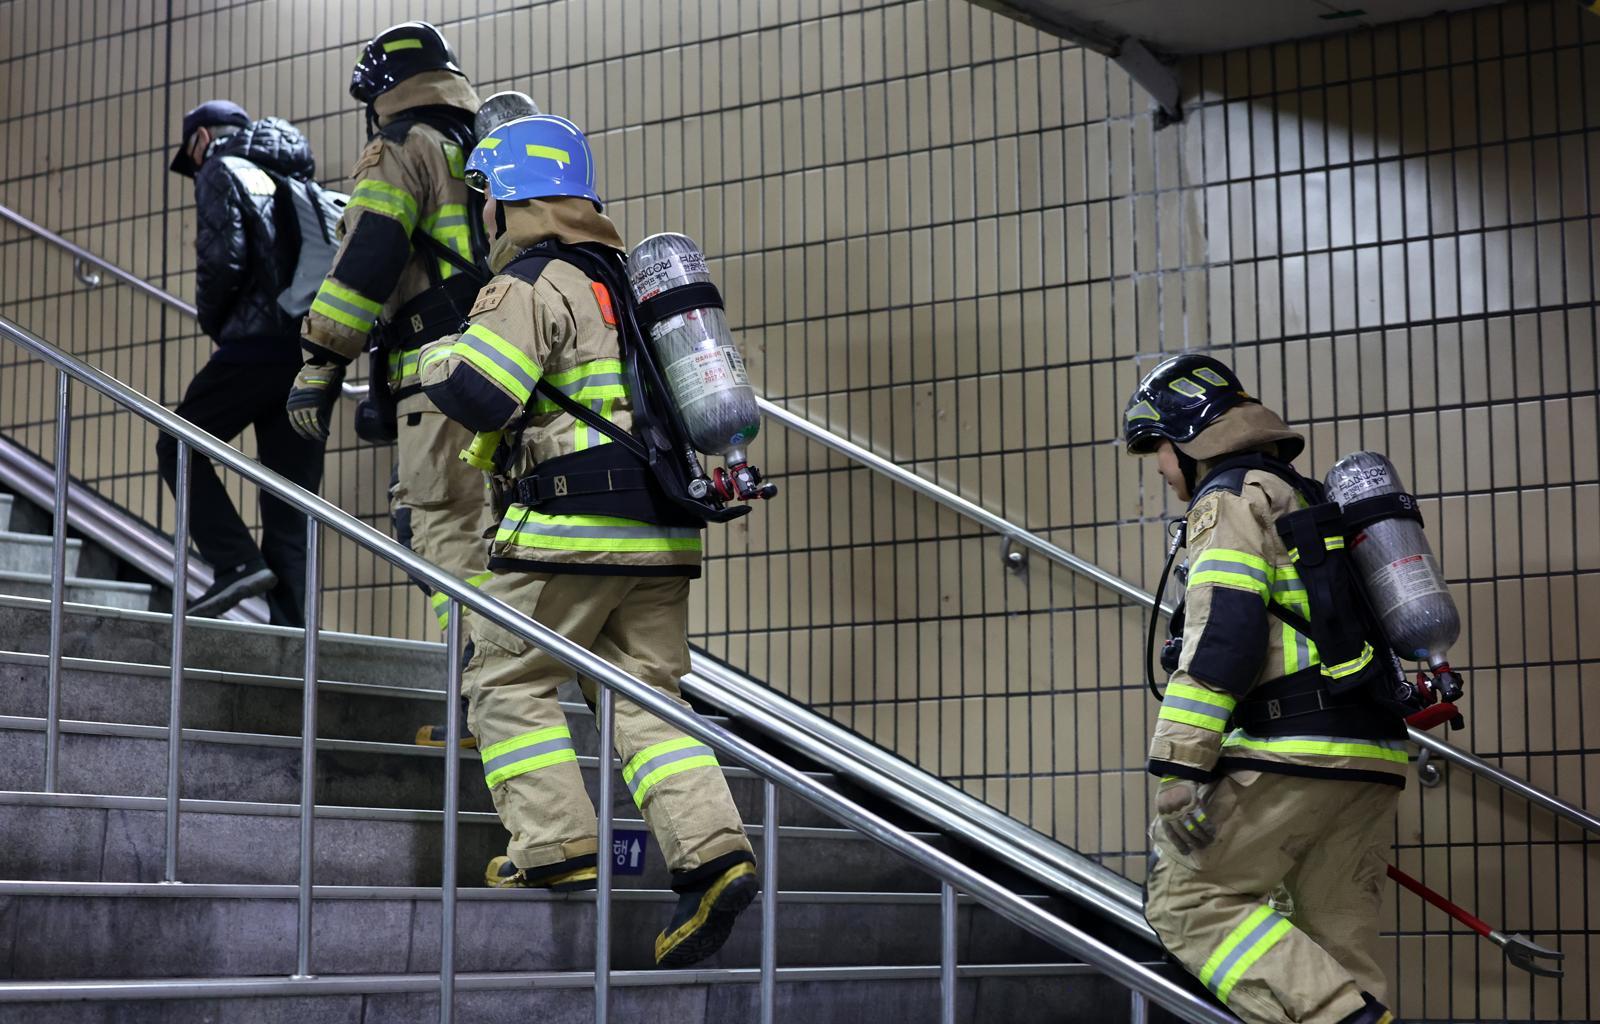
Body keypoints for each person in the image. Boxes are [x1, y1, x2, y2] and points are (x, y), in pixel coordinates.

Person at [417, 114, 757, 968]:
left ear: (509, 203)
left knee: (506, 680)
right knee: (648, 699)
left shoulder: (529, 283)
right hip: (661, 533)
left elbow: (482, 394)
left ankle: (555, 848)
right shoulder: (625, 282)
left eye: (486, 198)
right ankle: (713, 856)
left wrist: (425, 359)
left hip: (569, 529)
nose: (482, 214)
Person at [1124, 354, 1405, 1024]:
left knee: (1187, 900)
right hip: (1373, 756)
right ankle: (1358, 1009)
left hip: (1292, 748)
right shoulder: (1305, 497)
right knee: (1335, 937)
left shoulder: (1227, 500)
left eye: (1158, 451)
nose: (1162, 470)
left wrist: (1179, 765)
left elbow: (1225, 632)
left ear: (1185, 439)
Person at [285, 22, 491, 739]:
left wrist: (321, 356)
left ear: (380, 93)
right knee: (486, 528)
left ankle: (490, 691)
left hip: (436, 372)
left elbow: (370, 252)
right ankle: (501, 681)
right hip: (510, 370)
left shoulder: (402, 149)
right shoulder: (488, 147)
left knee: (435, 526)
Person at [158, 100, 324, 625]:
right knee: (289, 500)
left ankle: (233, 561)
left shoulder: (220, 169)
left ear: (201, 138)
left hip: (253, 348)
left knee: (177, 442)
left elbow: (222, 260)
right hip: (308, 356)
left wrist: (215, 323)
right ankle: (295, 639)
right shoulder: (298, 183)